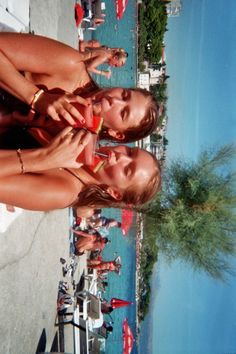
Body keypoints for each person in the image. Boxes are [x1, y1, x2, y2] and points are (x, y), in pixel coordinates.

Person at [0, 32, 160, 143]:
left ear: (117, 133)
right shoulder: (71, 66)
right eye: (125, 95)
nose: (115, 100)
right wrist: (36, 97)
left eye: (123, 113)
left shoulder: (73, 147)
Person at [0, 127, 161, 211]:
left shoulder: (65, 192)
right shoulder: (77, 151)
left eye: (128, 170)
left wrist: (44, 159)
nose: (121, 155)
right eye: (130, 152)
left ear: (115, 193)